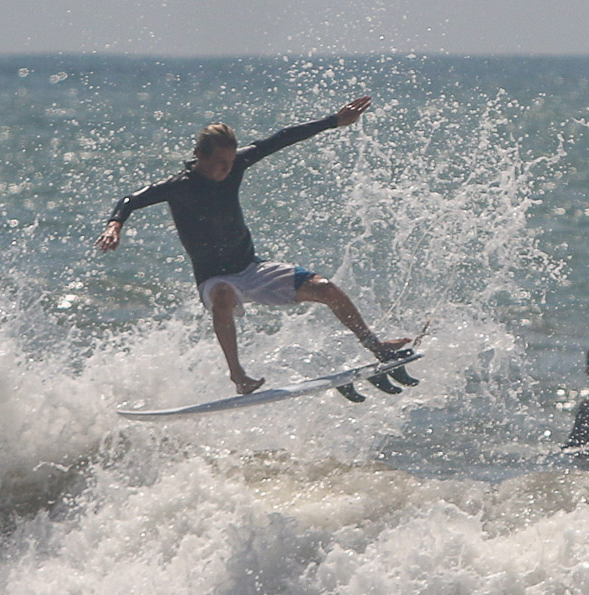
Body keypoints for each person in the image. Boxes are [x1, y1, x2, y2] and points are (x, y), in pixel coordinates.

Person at [96, 96, 409, 395]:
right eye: (220, 163)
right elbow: (131, 200)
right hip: (213, 278)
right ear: (201, 156)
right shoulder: (178, 187)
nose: (227, 169)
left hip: (251, 268)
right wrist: (114, 225)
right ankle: (239, 376)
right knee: (222, 295)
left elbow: (280, 138)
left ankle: (376, 346)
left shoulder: (235, 167)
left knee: (325, 287)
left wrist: (333, 121)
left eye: (231, 162)